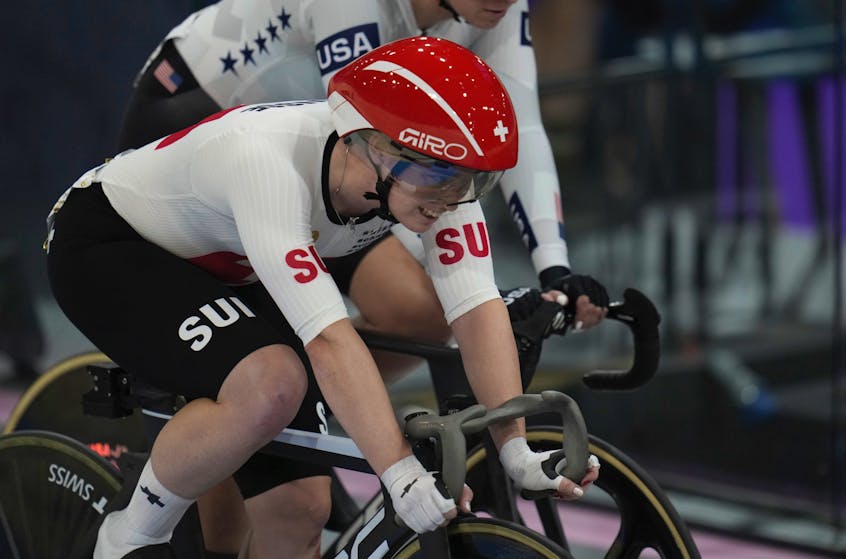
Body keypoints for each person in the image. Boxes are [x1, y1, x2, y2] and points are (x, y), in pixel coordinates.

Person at [47, 37, 597, 559]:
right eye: (442, 174)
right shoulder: (267, 163)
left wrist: (515, 451)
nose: (454, 197)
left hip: (229, 268)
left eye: (472, 181)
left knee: (299, 511)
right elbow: (330, 342)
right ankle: (129, 536)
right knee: (273, 383)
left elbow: (478, 312)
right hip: (111, 247)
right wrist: (399, 474)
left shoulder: (434, 188)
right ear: (375, 147)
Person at [117, 0, 611, 344]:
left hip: (314, 157)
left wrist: (554, 269)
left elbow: (518, 130)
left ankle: (313, 414)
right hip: (190, 119)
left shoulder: (492, 5)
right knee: (265, 344)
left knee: (419, 318)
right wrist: (481, 294)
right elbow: (372, 149)